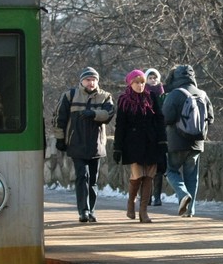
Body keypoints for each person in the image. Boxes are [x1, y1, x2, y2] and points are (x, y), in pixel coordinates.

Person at [53, 67, 114, 223]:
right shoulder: (69, 96)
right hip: (76, 144)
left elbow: (109, 114)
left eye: (93, 79)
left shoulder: (105, 97)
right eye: (88, 79)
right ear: (81, 81)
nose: (91, 82)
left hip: (96, 145)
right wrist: (60, 139)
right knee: (82, 176)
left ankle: (91, 210)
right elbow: (59, 118)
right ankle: (83, 211)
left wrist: (93, 114)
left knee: (93, 180)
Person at [113, 70, 167, 223]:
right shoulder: (124, 100)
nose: (140, 85)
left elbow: (159, 120)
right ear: (130, 83)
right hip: (133, 143)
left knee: (149, 175)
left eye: (142, 82)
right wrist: (117, 147)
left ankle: (144, 211)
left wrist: (163, 141)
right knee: (137, 175)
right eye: (137, 82)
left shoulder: (151, 98)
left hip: (151, 142)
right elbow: (120, 125)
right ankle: (131, 202)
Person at [162, 64, 213, 217]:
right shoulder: (203, 94)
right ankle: (190, 210)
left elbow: (166, 118)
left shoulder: (175, 94)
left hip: (176, 142)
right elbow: (210, 118)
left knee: (170, 170)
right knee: (192, 176)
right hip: (197, 143)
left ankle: (182, 194)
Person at [144, 68, 167, 206]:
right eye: (150, 78)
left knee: (159, 167)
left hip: (160, 134)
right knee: (147, 167)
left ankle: (157, 197)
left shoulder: (164, 95)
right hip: (147, 134)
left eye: (155, 77)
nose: (153, 80)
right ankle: (148, 196)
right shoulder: (143, 94)